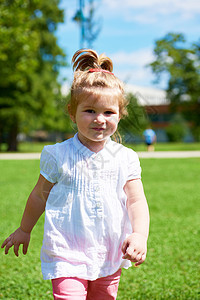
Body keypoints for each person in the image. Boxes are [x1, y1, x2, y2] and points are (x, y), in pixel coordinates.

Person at [1, 49, 150, 300]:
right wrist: (24, 230)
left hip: (109, 250)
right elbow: (39, 195)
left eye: (108, 112)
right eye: (90, 110)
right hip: (66, 250)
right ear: (72, 112)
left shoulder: (126, 158)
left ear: (120, 115)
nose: (99, 119)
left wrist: (139, 235)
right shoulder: (57, 155)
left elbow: (136, 200)